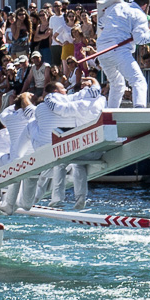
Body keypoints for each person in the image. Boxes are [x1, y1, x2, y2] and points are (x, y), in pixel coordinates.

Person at [30, 79, 105, 210]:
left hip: (85, 146)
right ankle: (80, 200)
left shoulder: (77, 104)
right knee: (77, 163)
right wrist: (92, 81)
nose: (66, 90)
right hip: (100, 146)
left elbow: (59, 108)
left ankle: (56, 199)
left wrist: (46, 98)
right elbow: (90, 90)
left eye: (83, 86)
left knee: (60, 161)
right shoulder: (99, 100)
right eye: (63, 89)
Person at [96, 0, 150, 108]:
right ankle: (139, 110)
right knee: (138, 81)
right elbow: (140, 39)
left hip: (102, 51)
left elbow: (101, 22)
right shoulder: (139, 14)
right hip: (119, 51)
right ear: (145, 6)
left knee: (117, 84)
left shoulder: (116, 7)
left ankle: (111, 114)